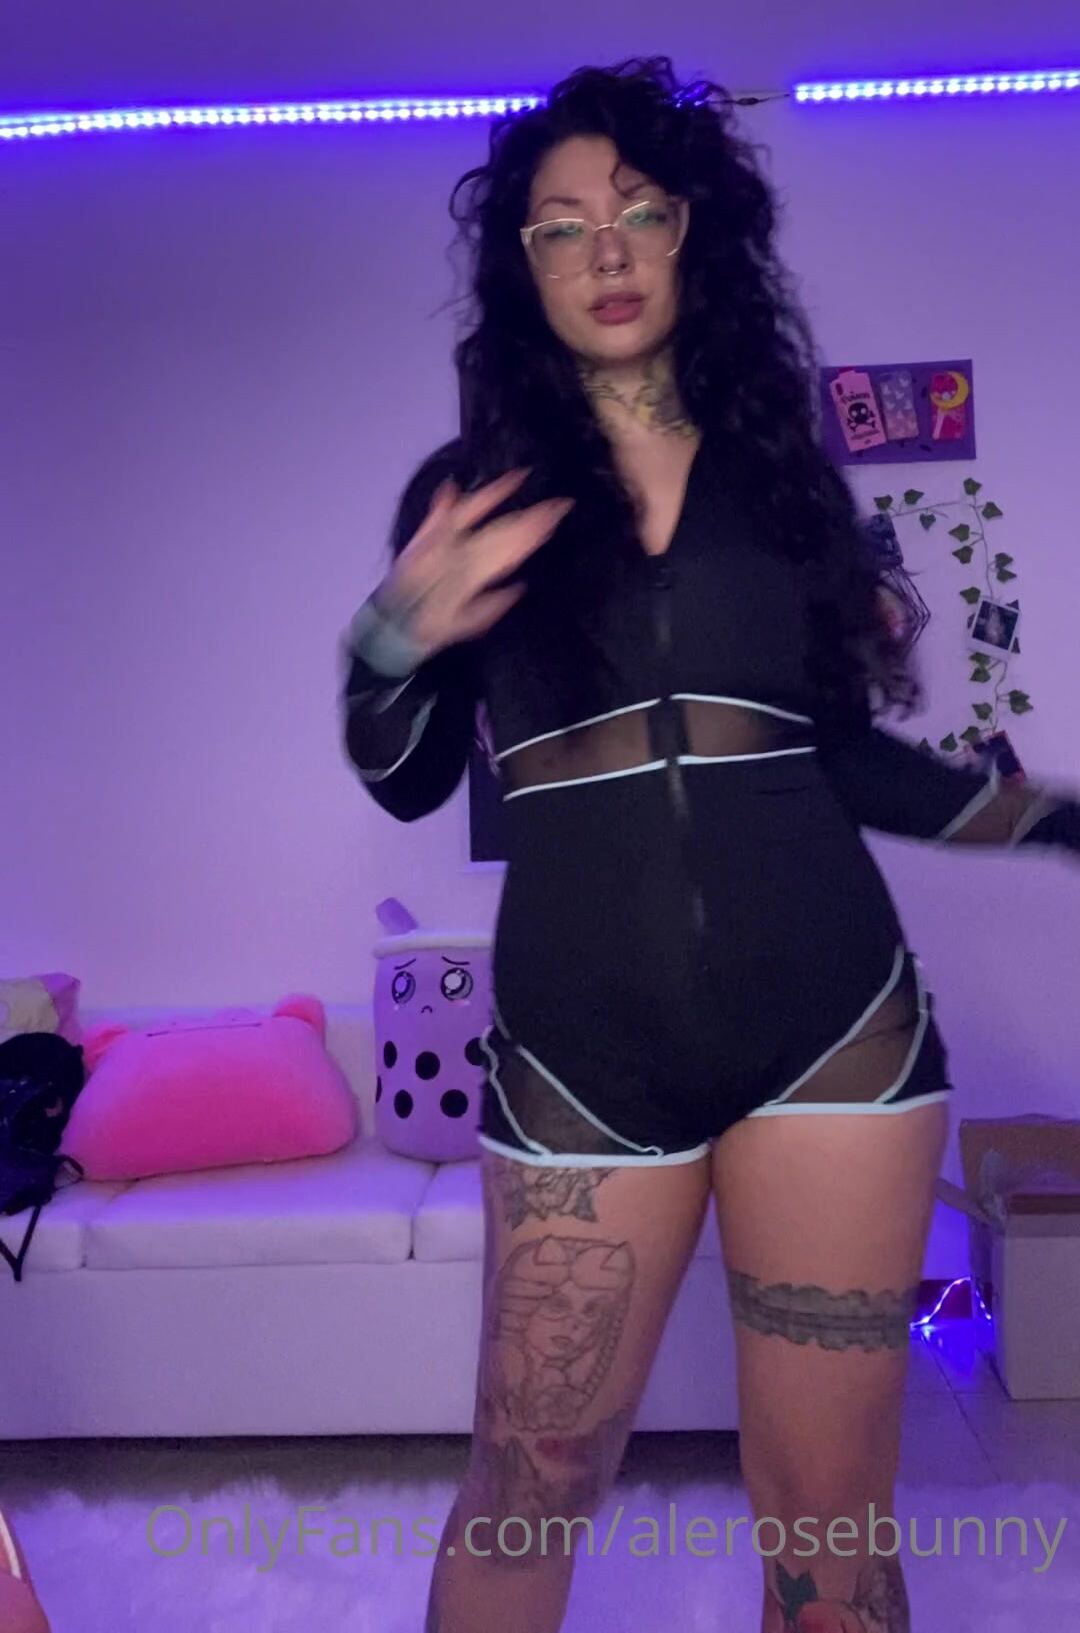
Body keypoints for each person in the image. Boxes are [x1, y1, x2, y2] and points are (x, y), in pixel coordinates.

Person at [338, 58, 1080, 1633]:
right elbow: (403, 779)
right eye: (558, 225)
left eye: (638, 211)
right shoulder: (474, 500)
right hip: (581, 1057)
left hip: (837, 1035)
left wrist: (1057, 819)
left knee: (829, 1518)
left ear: (696, 233)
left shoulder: (788, 487)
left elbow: (850, 761)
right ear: (521, 265)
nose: (603, 249)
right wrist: (387, 641)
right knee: (526, 1488)